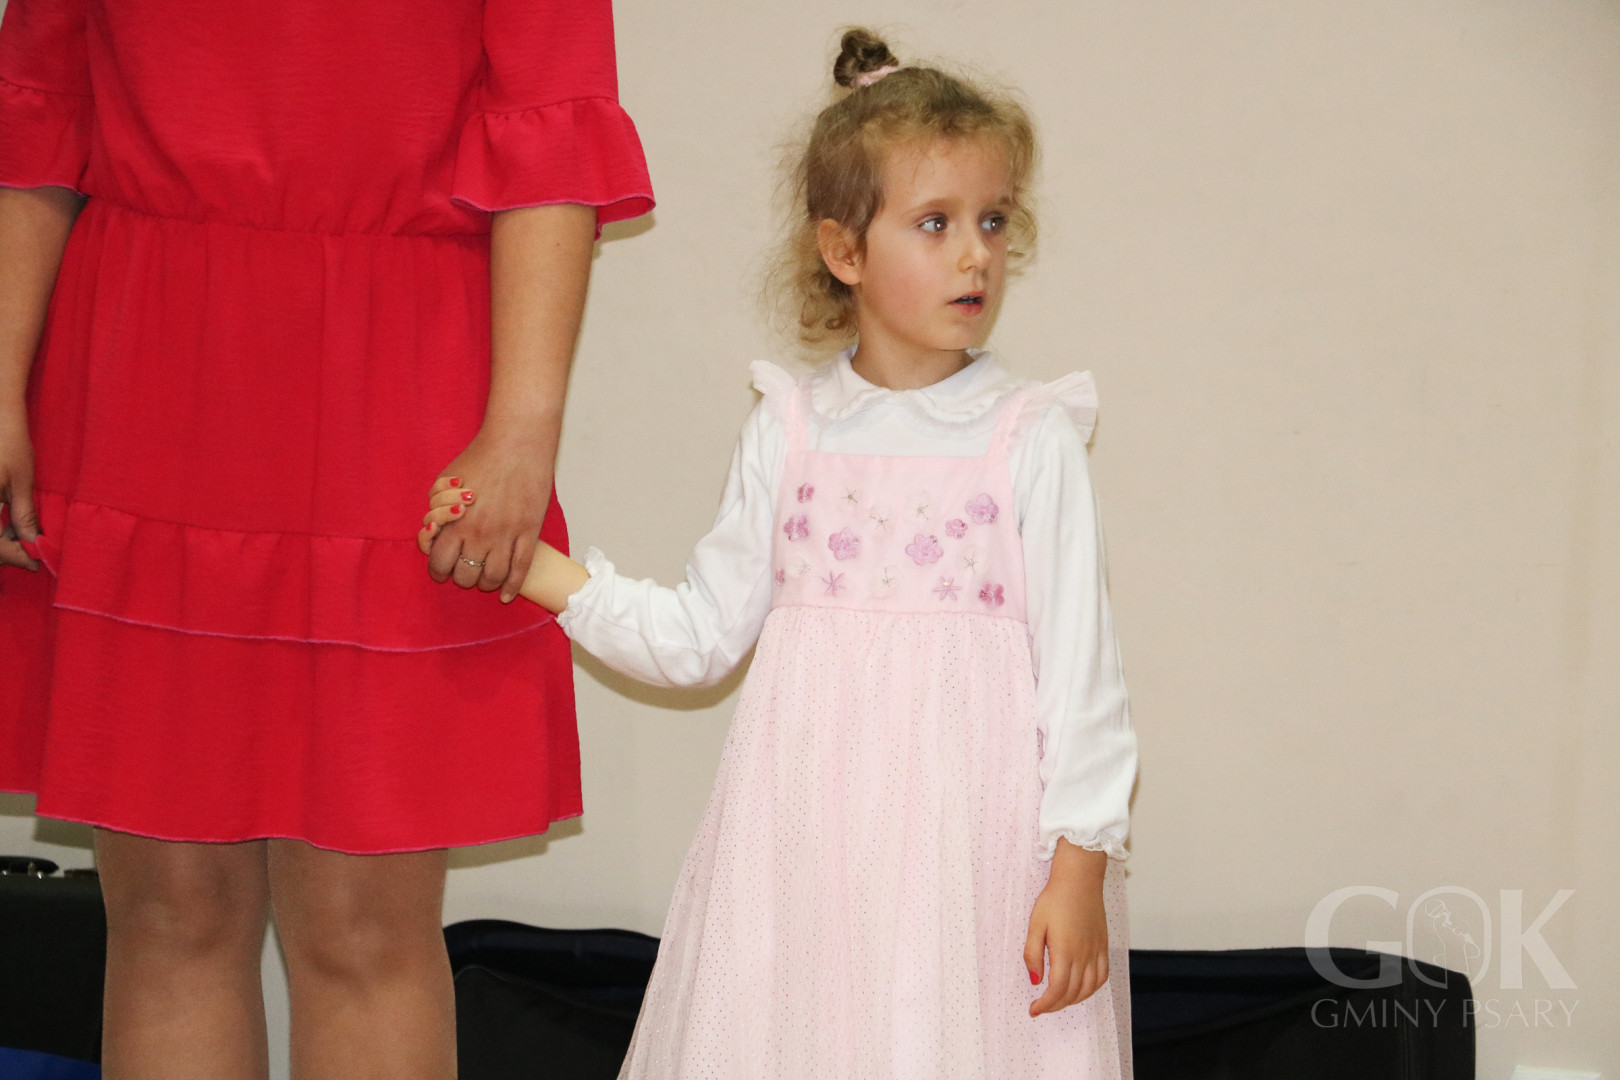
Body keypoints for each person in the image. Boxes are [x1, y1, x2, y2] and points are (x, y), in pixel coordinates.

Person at [422, 29, 1138, 1079]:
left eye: (992, 220)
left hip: (971, 872)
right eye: (935, 223)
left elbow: (1085, 682)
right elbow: (700, 638)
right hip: (806, 871)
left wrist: (1079, 868)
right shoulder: (791, 429)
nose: (976, 254)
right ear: (843, 251)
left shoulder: (1029, 438)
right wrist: (535, 571)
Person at [0, 1, 651, 1076]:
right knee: (168, 912)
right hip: (140, 381)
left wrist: (524, 431)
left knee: (362, 925)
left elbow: (552, 127)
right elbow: (40, 103)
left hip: (395, 392)